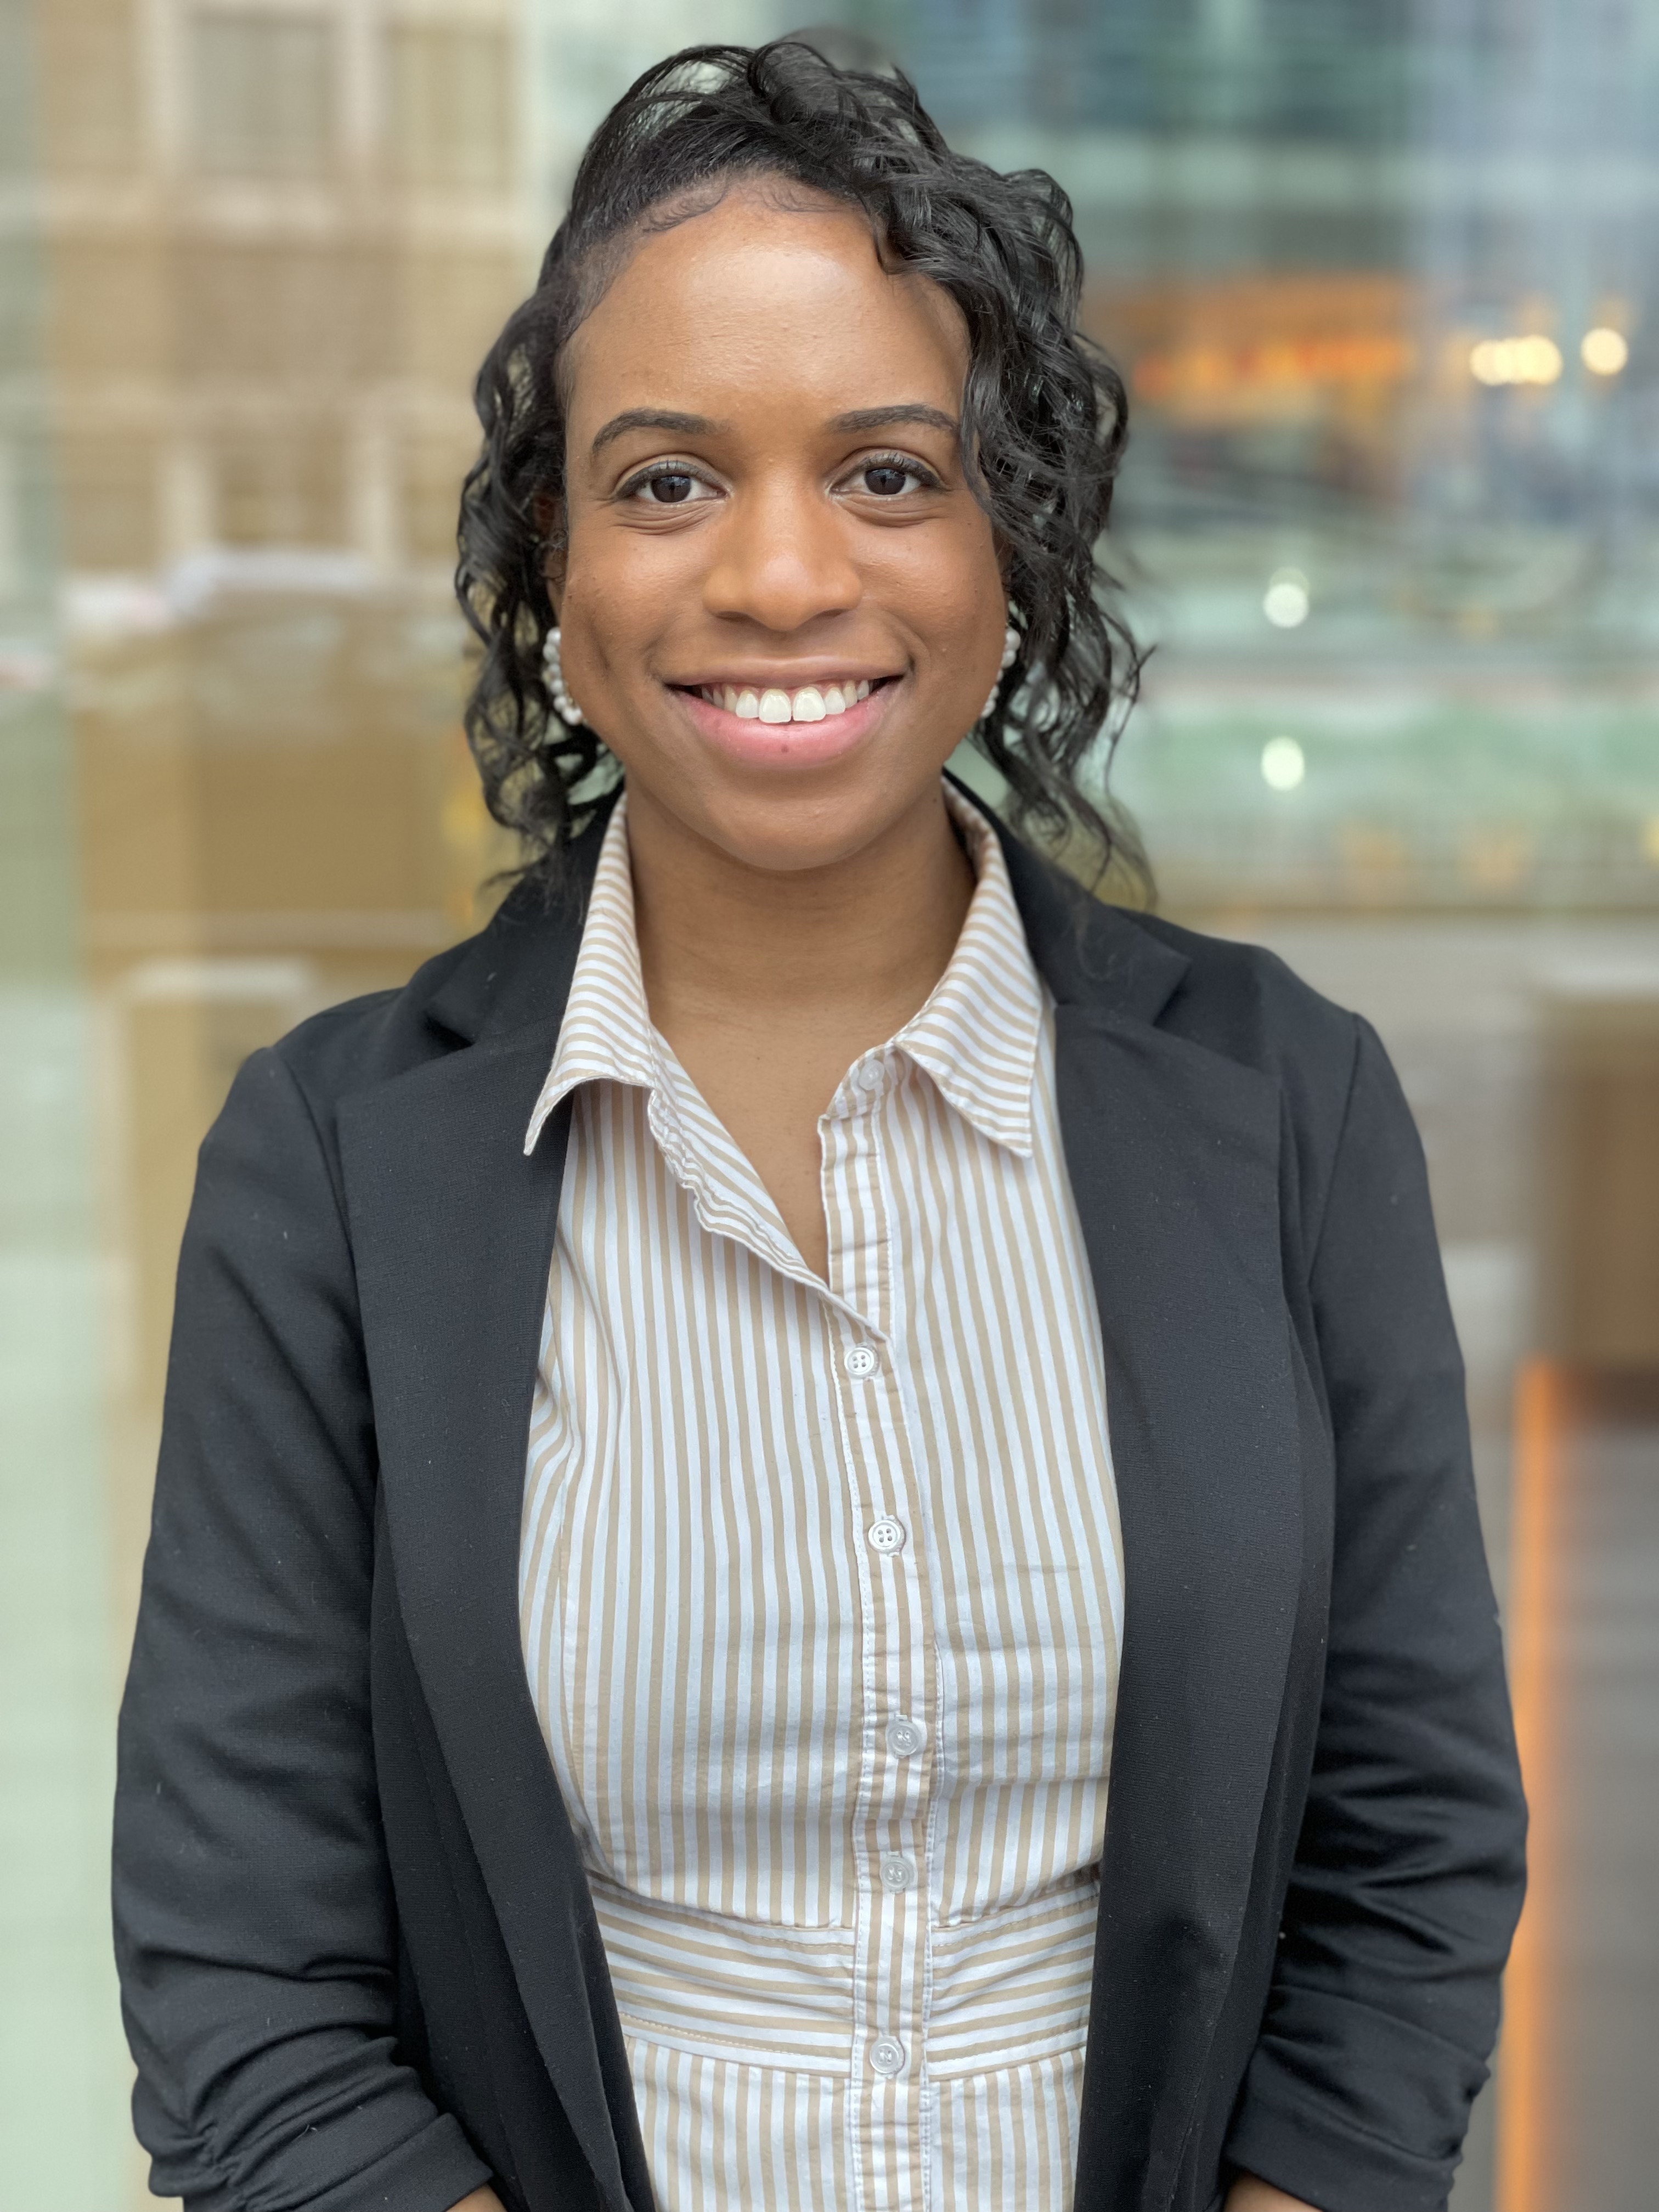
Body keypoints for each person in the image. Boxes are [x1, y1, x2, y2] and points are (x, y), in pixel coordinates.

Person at [113, 40, 1526, 2212]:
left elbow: (1409, 1855)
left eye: (889, 473)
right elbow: (245, 1990)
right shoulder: (326, 1166)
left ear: (1010, 562)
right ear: (554, 585)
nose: (780, 579)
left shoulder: (1287, 1105)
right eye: (669, 482)